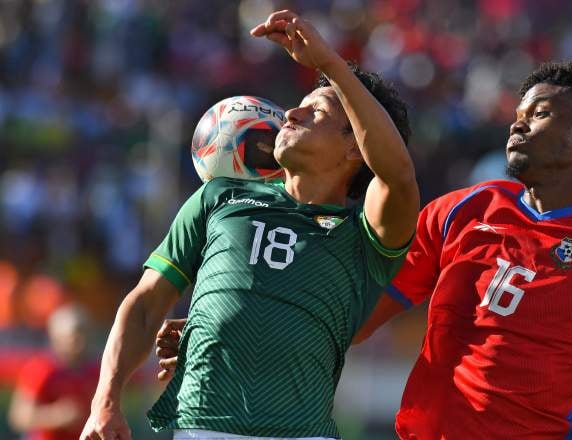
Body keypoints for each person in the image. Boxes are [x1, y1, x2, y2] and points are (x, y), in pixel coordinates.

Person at [156, 62, 572, 438]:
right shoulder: (461, 211)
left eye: (539, 114)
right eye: (516, 115)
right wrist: (230, 325)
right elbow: (350, 318)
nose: (517, 126)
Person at [80, 9, 418, 440]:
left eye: (317, 111)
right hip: (200, 428)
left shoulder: (367, 234)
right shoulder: (218, 197)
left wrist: (331, 66)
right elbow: (146, 303)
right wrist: (105, 401)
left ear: (356, 147)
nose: (291, 114)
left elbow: (398, 174)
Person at [8, 304, 99, 440]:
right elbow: (19, 416)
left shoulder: (96, 370)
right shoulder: (41, 369)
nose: (81, 341)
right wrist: (56, 416)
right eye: (75, 334)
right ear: (56, 337)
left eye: (85, 333)